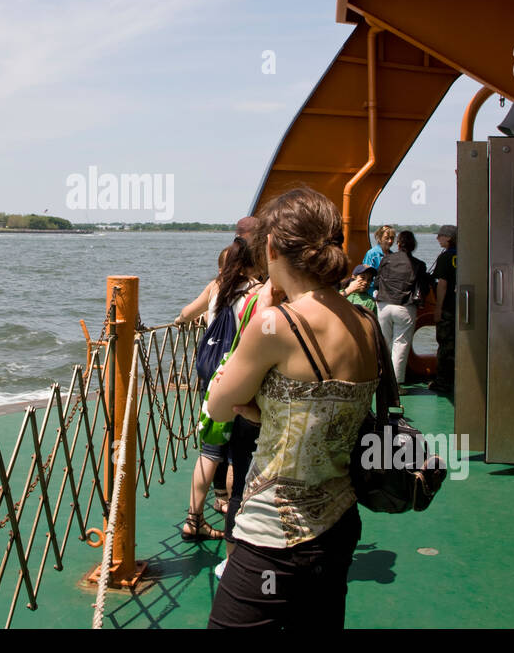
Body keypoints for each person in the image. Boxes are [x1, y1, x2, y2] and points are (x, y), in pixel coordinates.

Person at [204, 186, 378, 629]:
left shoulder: (277, 324)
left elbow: (218, 405)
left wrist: (261, 311)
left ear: (272, 247)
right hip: (340, 520)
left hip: (273, 536)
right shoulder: (364, 321)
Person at [177, 232, 262, 541]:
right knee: (241, 451)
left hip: (212, 377)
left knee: (211, 450)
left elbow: (186, 314)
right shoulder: (259, 292)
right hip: (244, 379)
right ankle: (236, 514)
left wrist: (181, 321)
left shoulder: (215, 287)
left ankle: (193, 517)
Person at [375, 230, 429, 386]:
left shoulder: (386, 259)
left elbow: (378, 282)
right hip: (404, 307)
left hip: (384, 305)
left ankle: (381, 379)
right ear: (413, 246)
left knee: (385, 344)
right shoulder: (419, 265)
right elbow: (423, 288)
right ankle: (396, 384)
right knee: (400, 345)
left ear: (398, 243)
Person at [429, 225, 457, 394]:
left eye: (440, 235)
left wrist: (438, 308)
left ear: (448, 238)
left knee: (446, 345)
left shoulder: (446, 257)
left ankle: (443, 382)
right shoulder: (465, 255)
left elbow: (442, 285)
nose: (437, 238)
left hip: (448, 309)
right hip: (463, 308)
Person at [361, 225, 395, 298]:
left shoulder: (393, 255)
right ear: (379, 238)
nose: (390, 241)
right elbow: (366, 276)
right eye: (387, 238)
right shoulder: (372, 254)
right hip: (372, 291)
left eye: (392, 238)